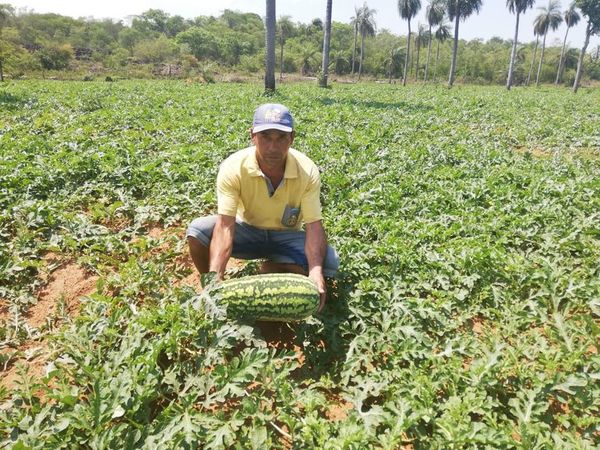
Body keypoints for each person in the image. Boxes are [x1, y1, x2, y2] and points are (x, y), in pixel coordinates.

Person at [186, 103, 339, 312]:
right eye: (266, 137)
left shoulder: (307, 170)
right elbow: (225, 226)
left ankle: (271, 268)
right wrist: (215, 275)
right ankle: (213, 290)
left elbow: (313, 226)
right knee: (197, 232)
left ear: (292, 138)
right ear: (252, 136)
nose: (273, 148)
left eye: (281, 138)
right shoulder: (233, 168)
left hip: (285, 236)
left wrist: (315, 271)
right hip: (247, 231)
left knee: (328, 262)